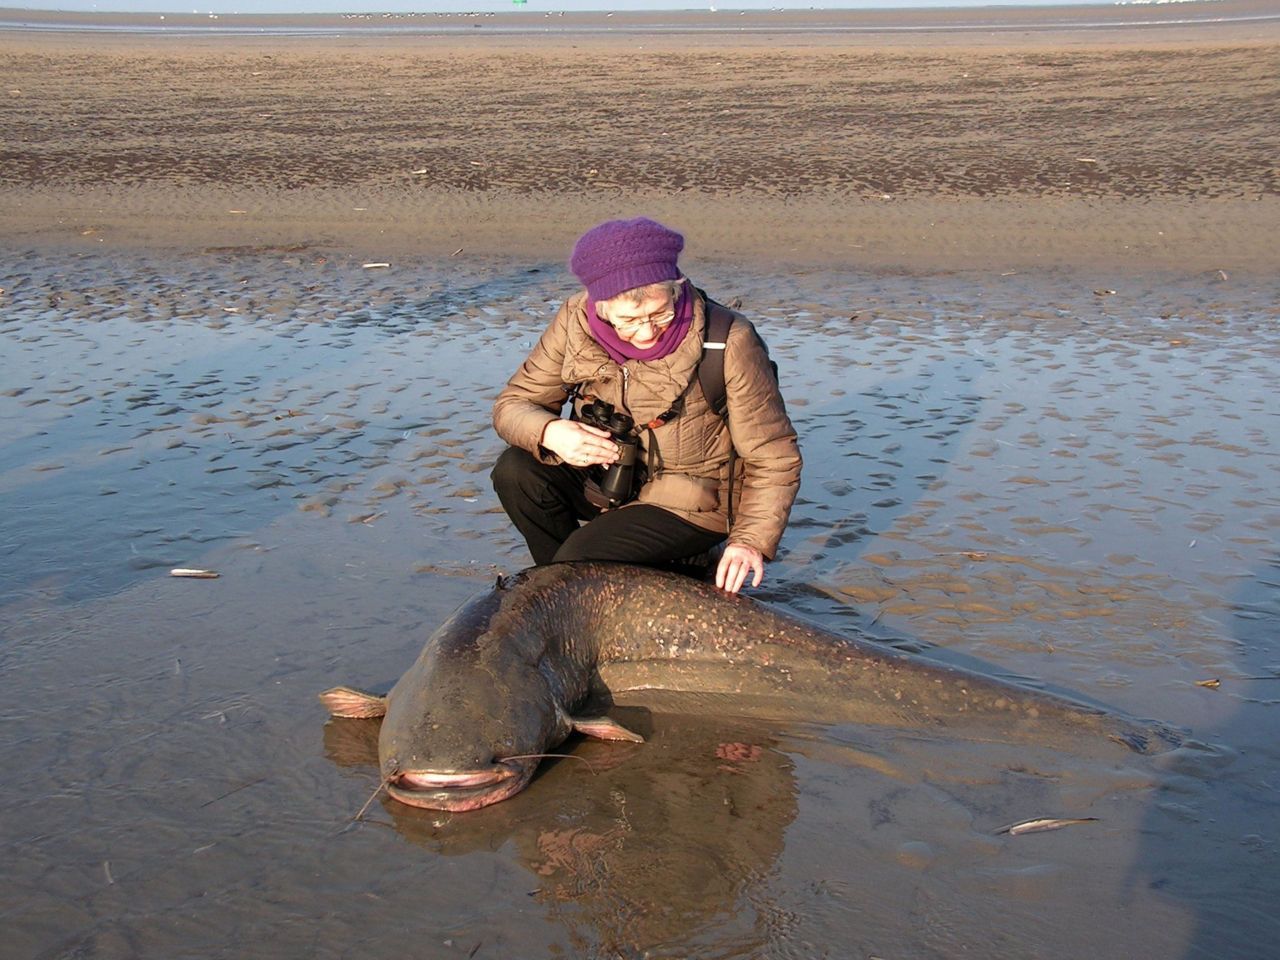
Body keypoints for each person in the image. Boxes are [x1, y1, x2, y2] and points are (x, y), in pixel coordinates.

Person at [490, 217, 801, 594]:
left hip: (695, 501)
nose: (646, 332)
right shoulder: (575, 320)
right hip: (608, 484)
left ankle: (582, 580)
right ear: (599, 307)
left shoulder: (729, 340)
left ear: (676, 289)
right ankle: (569, 590)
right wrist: (550, 431)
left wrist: (750, 540)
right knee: (515, 471)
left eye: (660, 314)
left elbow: (775, 455)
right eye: (629, 321)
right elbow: (514, 404)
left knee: (583, 557)